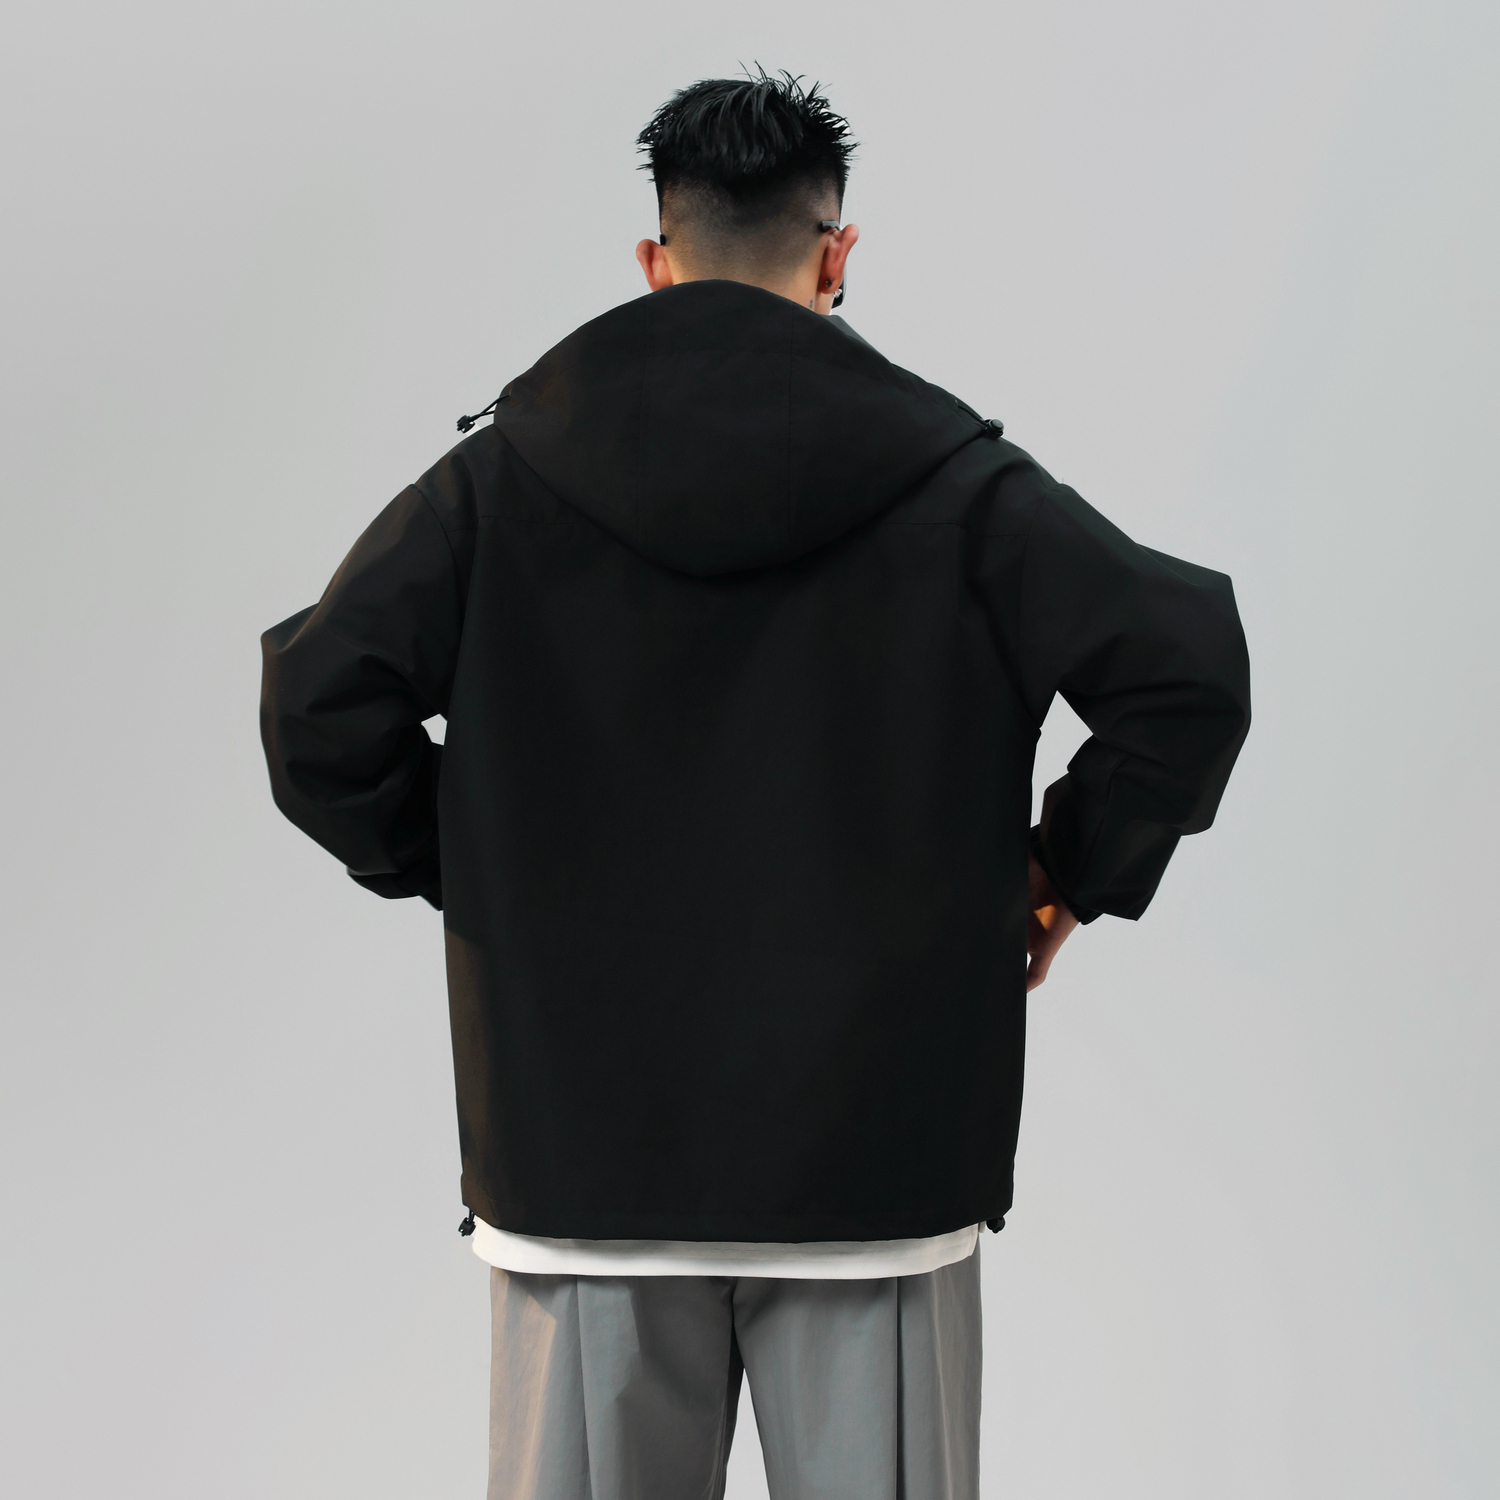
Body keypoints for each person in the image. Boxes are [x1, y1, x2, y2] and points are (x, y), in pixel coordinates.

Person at [260, 68, 1250, 1500]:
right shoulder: (960, 486)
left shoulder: (499, 483)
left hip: (584, 1164)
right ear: (836, 258)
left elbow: (316, 708)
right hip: (878, 1168)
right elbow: (1185, 673)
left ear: (654, 262)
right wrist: (1065, 873)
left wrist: (480, 867)